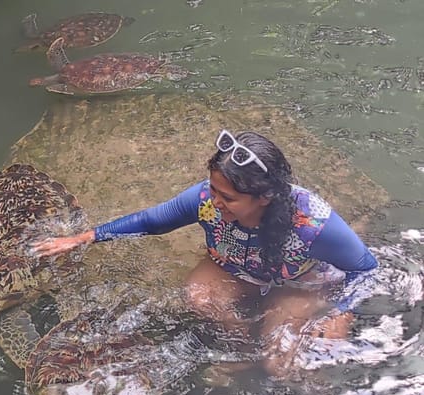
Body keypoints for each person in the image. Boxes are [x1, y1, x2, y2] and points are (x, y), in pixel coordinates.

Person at [32, 129, 378, 378]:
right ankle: (242, 353)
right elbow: (153, 221)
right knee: (199, 297)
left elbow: (366, 269)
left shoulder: (313, 224)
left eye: (227, 197)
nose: (214, 201)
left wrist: (342, 312)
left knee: (286, 365)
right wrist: (86, 237)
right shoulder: (204, 200)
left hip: (297, 282)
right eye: (213, 189)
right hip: (232, 268)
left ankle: (271, 362)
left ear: (264, 197)